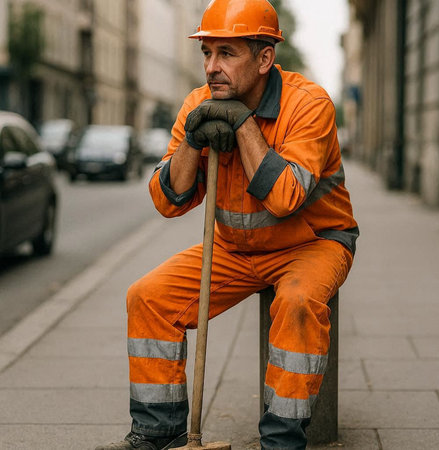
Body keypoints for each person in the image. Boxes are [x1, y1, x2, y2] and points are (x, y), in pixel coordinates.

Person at [96, 0, 359, 449]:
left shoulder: (308, 105)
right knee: (148, 298)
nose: (211, 67)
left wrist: (243, 125)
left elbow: (284, 198)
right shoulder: (199, 104)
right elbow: (167, 201)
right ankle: (158, 431)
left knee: (296, 304)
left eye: (227, 53)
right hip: (236, 249)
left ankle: (280, 440)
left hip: (312, 244)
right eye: (206, 53)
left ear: (264, 59)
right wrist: (193, 143)